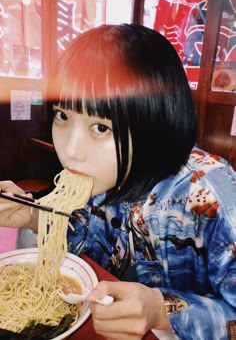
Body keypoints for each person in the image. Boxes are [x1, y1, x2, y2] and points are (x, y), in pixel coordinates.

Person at [0, 23, 236, 340]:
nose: (70, 151)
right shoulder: (99, 176)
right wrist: (34, 215)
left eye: (100, 128)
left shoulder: (212, 194)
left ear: (155, 124)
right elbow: (86, 234)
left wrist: (161, 309)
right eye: (63, 116)